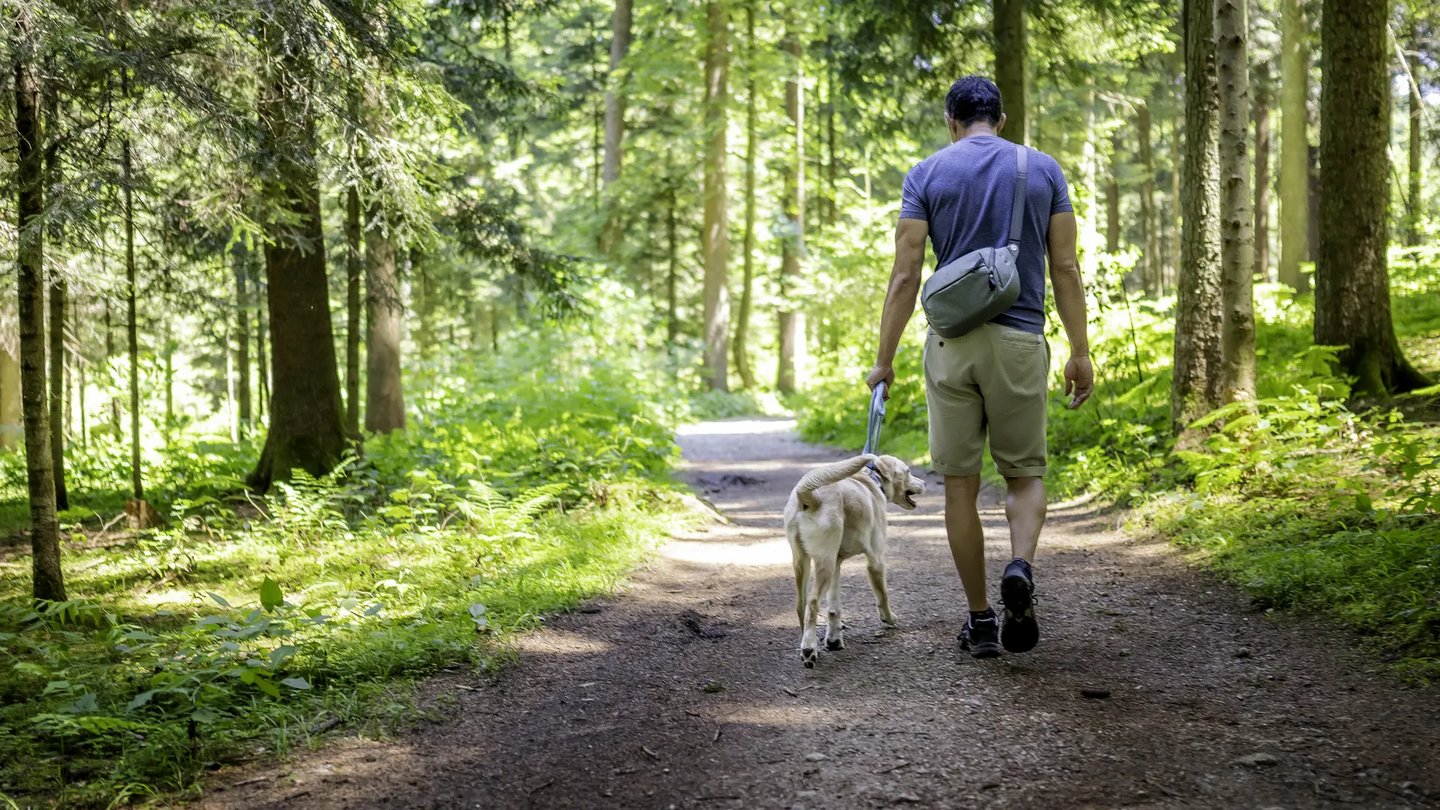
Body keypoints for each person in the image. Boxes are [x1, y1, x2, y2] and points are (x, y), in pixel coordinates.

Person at [865, 75, 1093, 658]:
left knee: (960, 490)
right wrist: (1079, 349)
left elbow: (906, 273)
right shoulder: (1042, 170)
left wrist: (884, 359)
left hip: (952, 344)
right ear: (1003, 118)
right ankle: (1019, 566)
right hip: (1019, 340)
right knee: (1024, 476)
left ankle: (981, 621)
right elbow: (1065, 268)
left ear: (951, 121)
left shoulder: (926, 174)